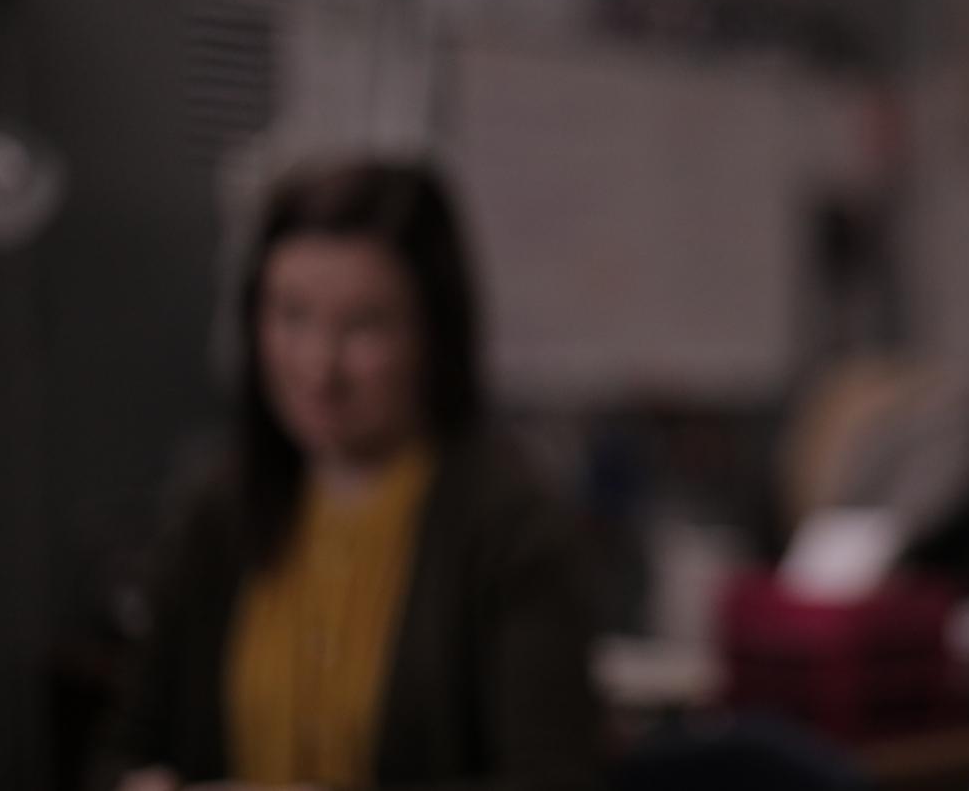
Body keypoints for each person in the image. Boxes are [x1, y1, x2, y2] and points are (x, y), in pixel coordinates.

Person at [101, 160, 602, 790]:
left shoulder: (513, 527)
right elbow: (122, 750)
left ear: (433, 332)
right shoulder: (216, 507)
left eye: (363, 325)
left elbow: (553, 780)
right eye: (291, 315)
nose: (319, 367)